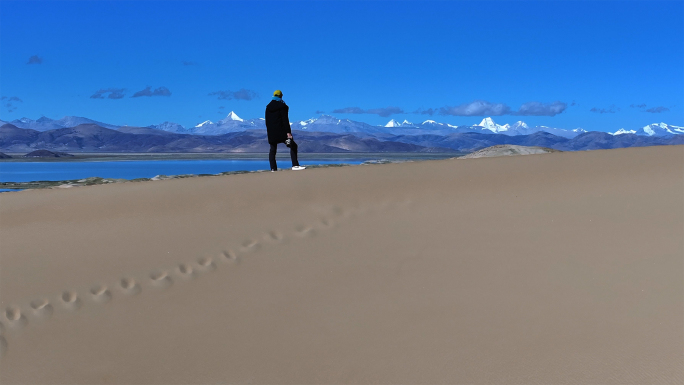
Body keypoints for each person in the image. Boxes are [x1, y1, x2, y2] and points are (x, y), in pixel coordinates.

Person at [265, 90, 306, 171]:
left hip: (272, 133)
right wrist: (288, 132)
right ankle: (295, 165)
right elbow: (285, 120)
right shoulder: (282, 106)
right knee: (293, 146)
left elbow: (267, 121)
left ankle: (273, 169)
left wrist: (269, 132)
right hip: (282, 132)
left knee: (273, 150)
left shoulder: (268, 107)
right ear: (281, 96)